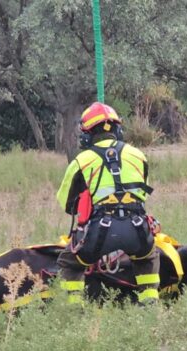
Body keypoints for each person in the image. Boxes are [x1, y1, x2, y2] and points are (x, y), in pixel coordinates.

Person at [55, 102, 160, 304]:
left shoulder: (81, 160)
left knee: (69, 263)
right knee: (147, 258)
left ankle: (74, 308)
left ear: (87, 134)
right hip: (137, 229)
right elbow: (143, 195)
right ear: (117, 130)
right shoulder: (138, 155)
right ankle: (150, 304)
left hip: (99, 232)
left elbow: (67, 204)